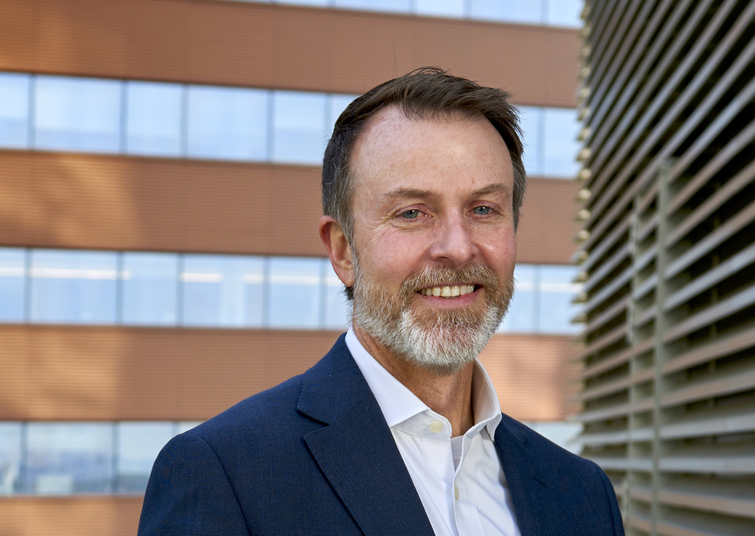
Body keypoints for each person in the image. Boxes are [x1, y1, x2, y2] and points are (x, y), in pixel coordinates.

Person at [137, 68, 624, 536]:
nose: (457, 246)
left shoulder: (581, 494)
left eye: (483, 209)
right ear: (343, 250)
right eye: (412, 212)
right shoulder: (224, 475)